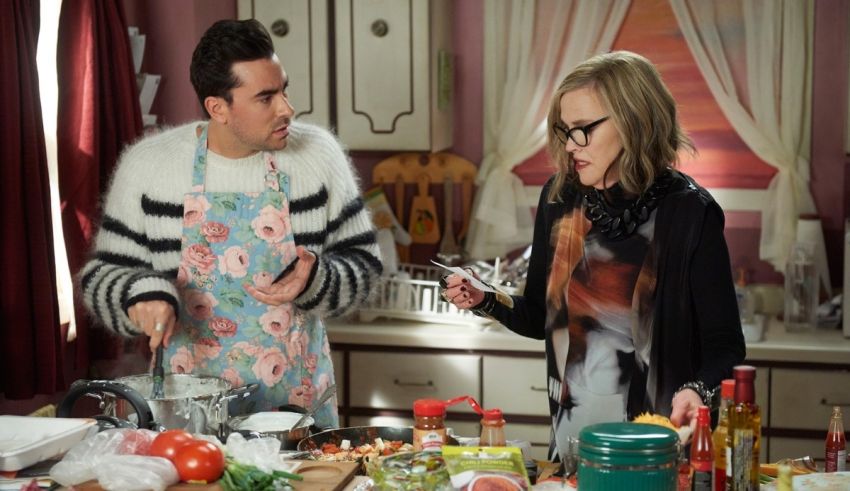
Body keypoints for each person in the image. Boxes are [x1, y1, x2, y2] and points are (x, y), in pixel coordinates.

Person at [442, 51, 745, 458]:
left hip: (660, 456)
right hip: (573, 451)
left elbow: (726, 347)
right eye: (565, 130)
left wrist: (696, 389)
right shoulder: (560, 198)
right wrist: (486, 299)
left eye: (583, 129)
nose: (570, 145)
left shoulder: (690, 213)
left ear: (634, 121)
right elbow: (538, 316)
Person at [80, 19, 381, 428]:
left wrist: (316, 282)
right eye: (266, 98)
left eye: (284, 89)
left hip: (296, 407)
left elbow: (365, 265)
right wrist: (142, 293)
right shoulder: (149, 165)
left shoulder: (318, 157)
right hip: (187, 414)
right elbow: (100, 278)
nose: (287, 108)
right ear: (217, 107)